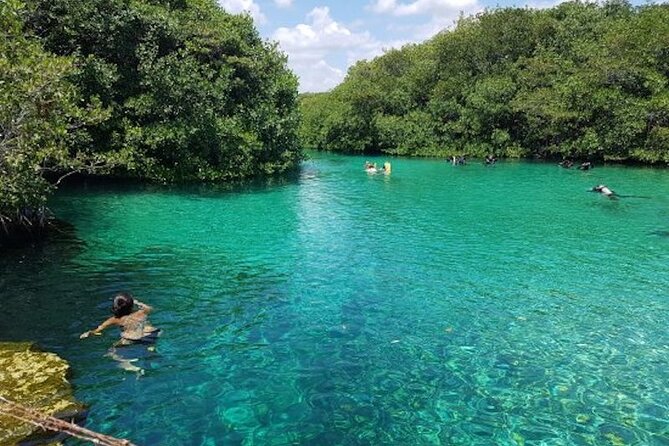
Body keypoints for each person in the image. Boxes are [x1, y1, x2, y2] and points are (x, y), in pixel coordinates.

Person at [81, 293, 160, 373]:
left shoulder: (115, 319)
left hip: (129, 340)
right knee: (148, 335)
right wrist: (137, 302)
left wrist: (90, 332)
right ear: (132, 305)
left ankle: (131, 366)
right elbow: (150, 308)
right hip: (148, 337)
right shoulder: (141, 313)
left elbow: (99, 329)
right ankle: (150, 352)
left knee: (111, 352)